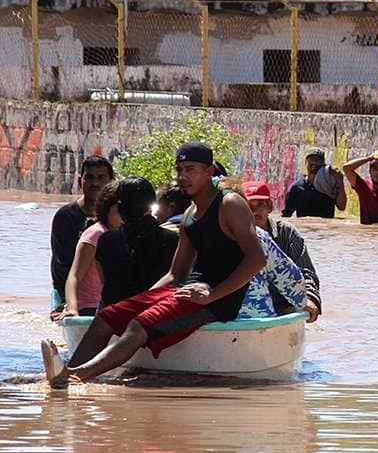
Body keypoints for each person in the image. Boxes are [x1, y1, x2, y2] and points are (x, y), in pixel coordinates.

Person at [41, 142, 265, 387]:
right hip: (186, 291)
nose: (183, 177)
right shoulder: (190, 214)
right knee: (108, 316)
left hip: (217, 302)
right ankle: (68, 368)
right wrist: (140, 301)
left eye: (191, 170)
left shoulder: (229, 204)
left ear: (209, 172)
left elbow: (256, 260)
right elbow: (175, 273)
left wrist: (212, 295)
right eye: (179, 170)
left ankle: (72, 377)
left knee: (138, 326)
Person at [94, 177, 179, 308]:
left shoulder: (106, 240)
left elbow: (105, 281)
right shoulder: (172, 239)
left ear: (120, 208)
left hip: (114, 313)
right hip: (156, 312)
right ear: (151, 204)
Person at [242, 180, 321, 320]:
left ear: (270, 207)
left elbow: (306, 272)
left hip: (285, 305)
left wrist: (309, 299)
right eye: (249, 206)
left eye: (260, 204)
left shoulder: (287, 232)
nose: (255, 212)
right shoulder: (235, 234)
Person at [50, 155, 114, 313]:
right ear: (80, 182)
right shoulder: (66, 217)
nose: (95, 183)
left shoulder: (117, 216)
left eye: (101, 177)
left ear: (112, 182)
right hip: (76, 294)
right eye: (89, 178)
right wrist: (67, 301)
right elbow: (62, 264)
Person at [60, 180, 122, 318]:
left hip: (110, 304)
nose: (125, 215)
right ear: (107, 208)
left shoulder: (126, 233)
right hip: (88, 307)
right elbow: (74, 276)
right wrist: (72, 309)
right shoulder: (96, 234)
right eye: (120, 210)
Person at [283, 148, 347, 218]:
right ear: (306, 163)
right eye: (311, 159)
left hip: (326, 228)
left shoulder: (329, 185)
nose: (314, 162)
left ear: (323, 164)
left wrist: (340, 181)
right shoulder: (296, 187)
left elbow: (341, 207)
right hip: (304, 228)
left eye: (318, 160)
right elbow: (287, 215)